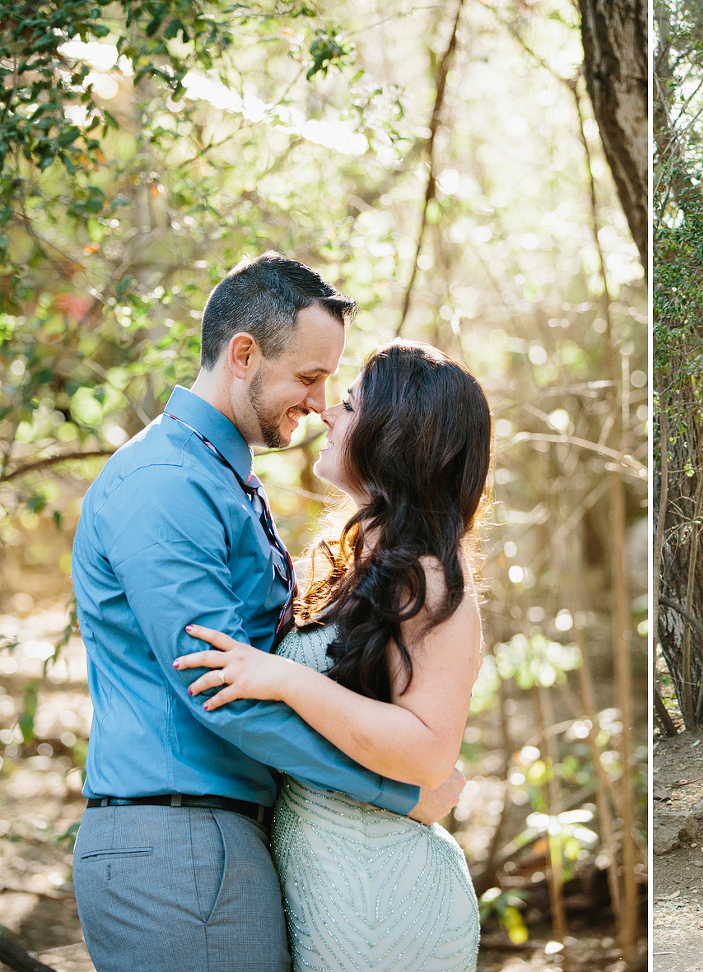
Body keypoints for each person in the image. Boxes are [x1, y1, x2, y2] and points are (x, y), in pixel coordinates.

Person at [70, 253, 456, 972]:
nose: (318, 402)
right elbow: (219, 688)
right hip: (179, 845)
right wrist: (395, 794)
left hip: (213, 838)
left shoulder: (220, 478)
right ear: (243, 354)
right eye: (309, 378)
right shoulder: (166, 484)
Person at [176, 340, 488, 971]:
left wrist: (288, 681)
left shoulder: (429, 576)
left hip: (383, 904)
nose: (327, 414)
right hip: (323, 891)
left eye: (347, 404)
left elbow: (430, 751)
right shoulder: (344, 564)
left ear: (391, 435)